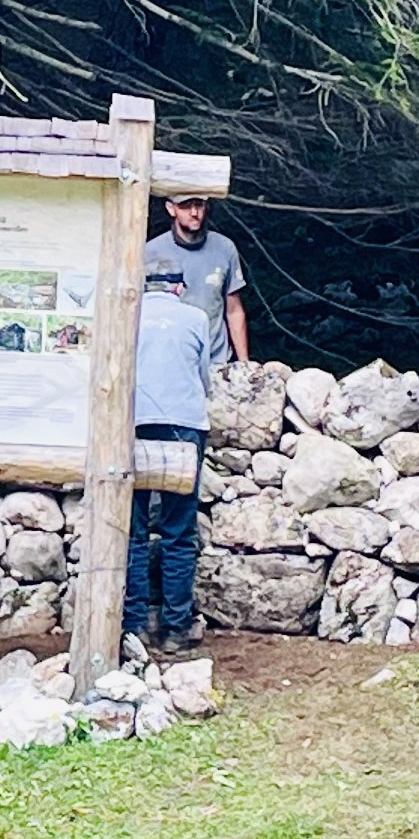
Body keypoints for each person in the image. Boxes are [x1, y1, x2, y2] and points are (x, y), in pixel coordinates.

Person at [125, 266, 224, 649]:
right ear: (179, 287)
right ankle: (176, 626)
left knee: (132, 530)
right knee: (178, 530)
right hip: (183, 426)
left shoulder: (129, 314)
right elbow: (203, 376)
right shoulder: (195, 317)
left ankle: (133, 624)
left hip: (133, 424)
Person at [143, 193, 250, 361]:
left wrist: (244, 362)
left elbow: (234, 309)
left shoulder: (224, 248)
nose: (194, 212)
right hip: (172, 358)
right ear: (171, 209)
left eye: (199, 205)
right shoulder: (150, 252)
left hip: (216, 358)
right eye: (185, 206)